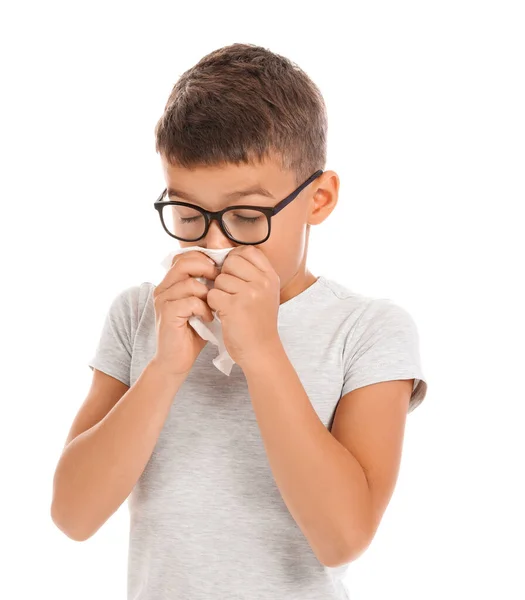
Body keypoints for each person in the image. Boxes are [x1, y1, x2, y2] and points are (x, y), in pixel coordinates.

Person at [51, 42, 428, 600]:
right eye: (187, 214)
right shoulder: (141, 313)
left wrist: (263, 353)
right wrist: (164, 370)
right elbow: (73, 515)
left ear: (318, 199)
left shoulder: (368, 331)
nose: (215, 242)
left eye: (247, 216)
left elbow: (343, 537)